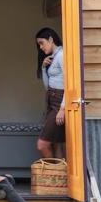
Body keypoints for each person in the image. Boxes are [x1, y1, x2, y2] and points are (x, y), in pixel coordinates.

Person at [35, 26, 66, 159]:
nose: (41, 47)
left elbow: (69, 84)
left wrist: (63, 109)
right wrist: (43, 68)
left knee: (42, 145)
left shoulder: (62, 56)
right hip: (51, 101)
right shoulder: (53, 57)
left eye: (42, 43)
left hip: (59, 103)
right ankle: (60, 178)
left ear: (51, 39)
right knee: (56, 144)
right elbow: (47, 87)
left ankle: (53, 174)